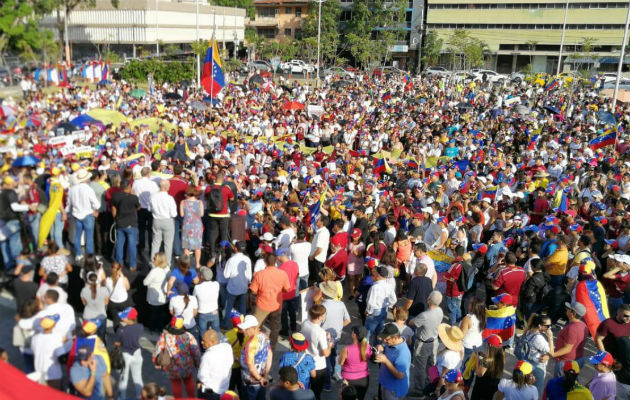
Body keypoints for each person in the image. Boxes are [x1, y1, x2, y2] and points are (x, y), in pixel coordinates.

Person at [250, 252, 291, 349]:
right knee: (275, 327)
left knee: (256, 326)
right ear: (276, 261)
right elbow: (287, 289)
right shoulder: (282, 273)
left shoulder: (259, 274)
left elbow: (253, 291)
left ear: (264, 262)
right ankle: (272, 347)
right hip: (277, 304)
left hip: (262, 305)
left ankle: (256, 345)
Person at [152, 316, 200, 398]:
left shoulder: (165, 336)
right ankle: (191, 398)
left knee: (176, 384)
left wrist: (156, 362)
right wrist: (197, 363)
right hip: (187, 366)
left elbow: (157, 350)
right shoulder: (188, 336)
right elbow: (196, 351)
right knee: (189, 382)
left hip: (172, 367)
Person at [408, 290, 443, 396]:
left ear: (429, 300)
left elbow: (411, 322)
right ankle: (430, 385)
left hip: (422, 344)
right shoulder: (440, 311)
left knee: (419, 368)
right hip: (434, 342)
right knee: (432, 366)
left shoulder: (424, 315)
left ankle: (418, 390)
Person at [0, 176, 37, 268]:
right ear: (10, 184)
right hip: (12, 220)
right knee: (15, 243)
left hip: (3, 220)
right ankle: (19, 265)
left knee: (4, 243)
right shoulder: (11, 192)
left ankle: (9, 265)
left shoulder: (2, 193)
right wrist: (28, 207)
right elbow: (14, 207)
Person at [66, 169, 100, 260]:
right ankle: (90, 256)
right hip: (88, 214)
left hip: (77, 214)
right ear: (86, 179)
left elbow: (69, 204)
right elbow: (96, 204)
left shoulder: (71, 190)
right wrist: (96, 210)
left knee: (78, 235)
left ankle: (78, 254)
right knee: (89, 237)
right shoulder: (89, 189)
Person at [301, 304, 334, 400]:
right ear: (320, 317)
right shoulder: (320, 332)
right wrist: (329, 344)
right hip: (318, 366)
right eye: (324, 315)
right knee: (317, 392)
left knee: (305, 388)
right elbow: (326, 353)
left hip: (305, 361)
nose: (325, 316)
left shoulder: (305, 323)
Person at [31, 314, 71, 389]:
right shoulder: (56, 337)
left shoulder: (34, 338)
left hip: (39, 374)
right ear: (53, 325)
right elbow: (62, 358)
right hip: (53, 375)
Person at [550, 301, 589, 376]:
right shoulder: (584, 325)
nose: (566, 309)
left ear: (573, 314)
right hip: (578, 359)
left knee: (560, 384)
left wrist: (551, 355)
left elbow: (567, 349)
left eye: (569, 309)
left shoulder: (572, 329)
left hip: (566, 362)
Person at [239, 315, 273, 400]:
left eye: (246, 328)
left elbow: (251, 367)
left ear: (253, 328)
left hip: (250, 381)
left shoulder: (250, 345)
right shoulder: (265, 336)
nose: (243, 331)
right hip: (262, 378)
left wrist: (260, 379)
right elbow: (270, 354)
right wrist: (266, 374)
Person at [374, 323, 412, 400]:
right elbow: (386, 346)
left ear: (395, 338)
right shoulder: (392, 343)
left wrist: (386, 361)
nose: (384, 341)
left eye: (386, 339)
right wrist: (382, 347)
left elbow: (400, 376)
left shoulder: (402, 353)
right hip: (386, 383)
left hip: (393, 390)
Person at [519, 314, 554, 396]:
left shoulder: (528, 331)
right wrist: (550, 337)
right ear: (539, 325)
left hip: (527, 363)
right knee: (537, 390)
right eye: (548, 326)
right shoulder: (539, 338)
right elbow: (551, 352)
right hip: (537, 366)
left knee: (526, 387)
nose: (550, 328)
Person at [115, 307, 144, 400]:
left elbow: (117, 343)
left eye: (124, 317)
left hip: (125, 355)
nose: (122, 318)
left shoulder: (121, 330)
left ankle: (121, 398)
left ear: (129, 318)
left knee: (123, 379)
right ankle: (140, 397)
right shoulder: (140, 327)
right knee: (138, 378)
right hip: (137, 354)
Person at [111, 179, 140, 271]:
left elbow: (113, 209)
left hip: (120, 223)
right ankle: (132, 265)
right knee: (132, 245)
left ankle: (119, 263)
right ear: (129, 187)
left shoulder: (115, 196)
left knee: (119, 244)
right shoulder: (134, 198)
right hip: (131, 223)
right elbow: (139, 207)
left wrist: (115, 218)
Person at [223, 241, 252, 329]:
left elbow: (226, 275)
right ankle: (242, 325)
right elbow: (249, 276)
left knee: (229, 307)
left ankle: (226, 324)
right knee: (242, 307)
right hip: (243, 288)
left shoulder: (231, 260)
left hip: (232, 288)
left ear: (235, 248)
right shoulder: (247, 259)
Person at [197, 329, 234, 400]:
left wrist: (199, 383)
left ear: (212, 342)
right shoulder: (227, 347)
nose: (201, 342)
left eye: (204, 341)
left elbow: (202, 376)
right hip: (224, 389)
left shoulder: (207, 356)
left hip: (209, 391)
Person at [365, 266, 397, 343]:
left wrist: (368, 311)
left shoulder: (375, 287)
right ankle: (377, 349)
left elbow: (371, 302)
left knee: (368, 333)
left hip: (374, 312)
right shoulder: (389, 286)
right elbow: (394, 300)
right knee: (380, 333)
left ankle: (366, 349)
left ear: (378, 275)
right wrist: (388, 305)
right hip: (384, 311)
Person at [338, 326, 372, 400]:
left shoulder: (346, 349)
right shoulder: (368, 347)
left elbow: (340, 362)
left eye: (352, 332)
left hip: (349, 380)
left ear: (354, 335)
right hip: (364, 379)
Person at [467, 335, 505, 400]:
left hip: (482, 388)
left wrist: (478, 359)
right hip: (492, 386)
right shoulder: (501, 356)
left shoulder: (487, 359)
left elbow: (480, 373)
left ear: (489, 345)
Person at [149, 179, 177, 265]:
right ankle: (167, 264)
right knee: (168, 244)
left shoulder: (152, 196)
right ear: (166, 187)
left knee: (155, 243)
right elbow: (174, 214)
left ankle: (153, 262)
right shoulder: (170, 198)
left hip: (156, 220)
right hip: (168, 221)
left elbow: (149, 209)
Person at [206, 172, 234, 256]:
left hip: (212, 214)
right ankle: (222, 252)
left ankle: (212, 251)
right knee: (223, 233)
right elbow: (232, 199)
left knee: (213, 233)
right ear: (223, 180)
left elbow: (206, 197)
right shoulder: (226, 188)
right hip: (223, 214)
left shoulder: (209, 188)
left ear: (215, 179)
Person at [143, 252, 170, 332]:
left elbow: (145, 282)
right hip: (163, 297)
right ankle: (160, 329)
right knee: (161, 315)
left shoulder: (154, 271)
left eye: (155, 258)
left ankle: (152, 329)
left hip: (154, 298)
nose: (153, 260)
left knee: (153, 315)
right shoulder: (167, 269)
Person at [80, 271, 109, 341]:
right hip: (101, 316)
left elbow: (84, 303)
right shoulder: (104, 290)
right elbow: (106, 302)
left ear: (88, 280)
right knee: (101, 337)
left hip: (88, 316)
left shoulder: (84, 290)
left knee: (89, 337)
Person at [278, 247, 300, 337]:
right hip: (293, 292)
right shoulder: (295, 264)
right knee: (292, 311)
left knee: (283, 313)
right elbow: (297, 276)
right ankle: (294, 327)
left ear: (279, 257)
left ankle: (285, 330)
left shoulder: (280, 268)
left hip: (283, 295)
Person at [181, 186, 204, 268]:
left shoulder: (183, 202)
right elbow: (201, 214)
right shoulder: (200, 202)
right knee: (197, 246)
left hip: (187, 225)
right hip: (197, 225)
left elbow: (181, 214)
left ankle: (186, 264)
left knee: (186, 246)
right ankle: (197, 264)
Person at [195, 266, 221, 338]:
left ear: (202, 276)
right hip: (214, 311)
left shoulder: (197, 287)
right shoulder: (216, 284)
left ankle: (204, 348)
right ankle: (219, 343)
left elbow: (194, 297)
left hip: (202, 313)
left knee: (203, 332)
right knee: (217, 330)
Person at [105, 262, 130, 330]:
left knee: (115, 320)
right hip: (123, 302)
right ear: (120, 269)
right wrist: (122, 275)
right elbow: (128, 288)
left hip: (112, 303)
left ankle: (117, 334)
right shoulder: (124, 279)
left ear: (111, 269)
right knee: (125, 318)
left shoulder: (107, 280)